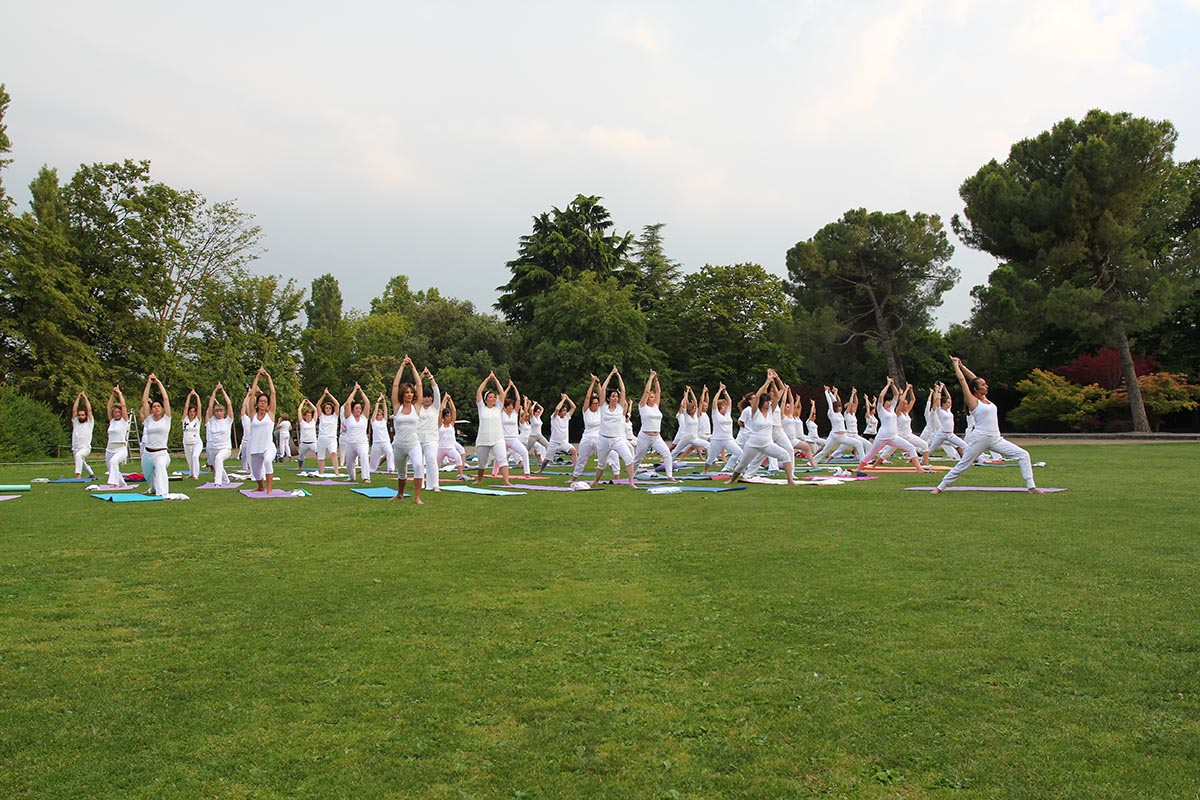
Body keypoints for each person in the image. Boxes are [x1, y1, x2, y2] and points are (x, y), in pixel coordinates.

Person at [933, 358, 1043, 494]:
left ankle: (1031, 487)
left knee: (1023, 455)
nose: (987, 386)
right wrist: (955, 366)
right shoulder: (972, 401)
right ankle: (940, 487)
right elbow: (963, 381)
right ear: (976, 389)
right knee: (964, 464)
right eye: (983, 385)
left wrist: (962, 366)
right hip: (980, 438)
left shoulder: (986, 399)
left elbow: (974, 379)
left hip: (996, 438)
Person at [727, 371, 797, 486]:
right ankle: (731, 480)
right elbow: (758, 396)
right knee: (742, 464)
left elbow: (777, 396)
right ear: (762, 403)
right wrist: (767, 381)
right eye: (767, 402)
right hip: (753, 443)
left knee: (785, 455)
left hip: (767, 443)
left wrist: (773, 381)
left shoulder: (771, 411)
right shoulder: (755, 412)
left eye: (769, 401)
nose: (769, 403)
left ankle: (790, 480)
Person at [856, 377, 929, 474]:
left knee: (910, 447)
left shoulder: (892, 409)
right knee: (871, 453)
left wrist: (892, 384)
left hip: (893, 437)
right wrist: (887, 385)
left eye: (890, 401)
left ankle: (919, 469)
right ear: (884, 403)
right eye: (888, 401)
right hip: (882, 437)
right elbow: (881, 396)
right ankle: (859, 468)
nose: (890, 402)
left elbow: (896, 394)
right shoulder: (881, 409)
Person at [590, 366, 638, 490]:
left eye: (617, 396)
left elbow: (624, 390)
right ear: (608, 398)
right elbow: (603, 389)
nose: (616, 398)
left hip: (618, 439)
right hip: (604, 439)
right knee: (601, 464)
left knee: (628, 458)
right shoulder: (603, 407)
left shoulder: (620, 407)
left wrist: (618, 376)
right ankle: (595, 481)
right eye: (613, 396)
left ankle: (631, 482)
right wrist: (611, 374)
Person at [392, 356, 429, 502]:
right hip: (399, 445)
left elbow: (419, 385)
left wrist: (412, 366)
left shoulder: (416, 406)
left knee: (419, 465)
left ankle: (417, 497)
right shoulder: (397, 406)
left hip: (413, 444)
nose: (409, 394)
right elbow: (395, 386)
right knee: (402, 473)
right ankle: (400, 494)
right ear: (403, 394)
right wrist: (402, 366)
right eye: (407, 392)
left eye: (411, 392)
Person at [474, 371, 515, 487]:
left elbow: (502, 393)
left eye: (493, 397)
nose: (493, 399)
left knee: (502, 458)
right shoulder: (482, 408)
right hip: (483, 439)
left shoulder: (498, 408)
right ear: (486, 400)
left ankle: (506, 481)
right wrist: (487, 379)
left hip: (498, 439)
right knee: (482, 462)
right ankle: (479, 479)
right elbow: (479, 392)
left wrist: (496, 379)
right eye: (490, 397)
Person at [632, 371, 674, 479]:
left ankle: (670, 476)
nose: (654, 398)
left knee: (667, 454)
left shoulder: (656, 407)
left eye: (654, 397)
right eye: (651, 397)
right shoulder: (643, 407)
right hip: (645, 436)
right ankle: (631, 476)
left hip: (657, 437)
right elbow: (646, 392)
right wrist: (650, 377)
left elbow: (659, 392)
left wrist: (656, 379)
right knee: (638, 458)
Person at [813, 386, 866, 463]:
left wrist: (830, 392)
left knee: (859, 443)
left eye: (840, 407)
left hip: (843, 436)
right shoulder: (831, 413)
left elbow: (835, 401)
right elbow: (830, 403)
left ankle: (863, 461)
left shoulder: (839, 414)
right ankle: (812, 462)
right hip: (834, 436)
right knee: (825, 450)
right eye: (838, 407)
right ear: (835, 408)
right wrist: (826, 392)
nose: (840, 408)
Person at [245, 368, 278, 493]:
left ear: (268, 404)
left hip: (268, 446)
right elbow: (252, 395)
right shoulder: (253, 414)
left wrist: (269, 378)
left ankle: (269, 489)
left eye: (265, 401)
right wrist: (257, 377)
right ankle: (261, 487)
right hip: (255, 447)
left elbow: (273, 394)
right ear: (257, 404)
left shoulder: (271, 414)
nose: (263, 403)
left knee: (268, 461)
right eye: (261, 401)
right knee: (256, 471)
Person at [140, 374, 173, 496]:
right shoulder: (149, 420)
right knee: (149, 478)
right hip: (148, 454)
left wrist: (158, 383)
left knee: (160, 466)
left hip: (161, 453)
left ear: (162, 409)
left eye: (158, 406)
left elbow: (166, 399)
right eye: (154, 406)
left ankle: (163, 493)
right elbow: (144, 401)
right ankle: (153, 488)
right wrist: (148, 383)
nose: (156, 408)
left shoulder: (166, 419)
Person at [922, 382, 969, 466]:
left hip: (950, 434)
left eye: (949, 403)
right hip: (941, 434)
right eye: (947, 403)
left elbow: (949, 398)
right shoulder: (940, 411)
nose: (949, 404)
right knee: (931, 449)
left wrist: (944, 388)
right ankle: (922, 461)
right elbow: (937, 399)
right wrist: (938, 390)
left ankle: (966, 461)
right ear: (943, 404)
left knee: (964, 445)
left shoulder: (949, 411)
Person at [702, 383, 743, 474]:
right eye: (723, 406)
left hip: (728, 439)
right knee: (711, 458)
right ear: (719, 408)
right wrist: (719, 390)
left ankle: (743, 470)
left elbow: (730, 401)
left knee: (740, 452)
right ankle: (705, 471)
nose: (725, 407)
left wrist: (725, 391)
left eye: (725, 406)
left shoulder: (728, 414)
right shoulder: (716, 414)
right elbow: (714, 402)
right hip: (717, 440)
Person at [495, 380, 531, 478]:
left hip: (514, 439)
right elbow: (502, 397)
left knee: (524, 452)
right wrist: (508, 388)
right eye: (509, 406)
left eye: (512, 406)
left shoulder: (515, 414)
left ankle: (527, 473)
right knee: (501, 457)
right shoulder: (501, 413)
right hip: (504, 439)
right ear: (505, 407)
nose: (511, 407)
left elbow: (518, 400)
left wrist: (514, 387)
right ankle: (494, 472)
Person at [572, 376, 603, 480]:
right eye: (594, 404)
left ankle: (617, 475)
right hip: (587, 437)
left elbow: (602, 395)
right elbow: (587, 397)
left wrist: (598, 383)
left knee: (609, 454)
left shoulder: (600, 411)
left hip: (599, 438)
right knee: (582, 459)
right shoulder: (586, 411)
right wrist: (592, 383)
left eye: (598, 404)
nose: (596, 405)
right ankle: (575, 477)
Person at [417, 368, 442, 491]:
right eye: (424, 397)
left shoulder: (435, 407)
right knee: (418, 463)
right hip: (417, 438)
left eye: (428, 397)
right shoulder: (417, 407)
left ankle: (434, 485)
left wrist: (430, 377)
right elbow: (416, 390)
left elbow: (436, 391)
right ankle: (420, 484)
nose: (426, 399)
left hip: (431, 439)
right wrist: (421, 377)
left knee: (432, 460)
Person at [341, 383, 372, 483]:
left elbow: (367, 403)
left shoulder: (364, 418)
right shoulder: (349, 418)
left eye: (359, 408)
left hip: (362, 443)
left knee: (364, 456)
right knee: (349, 463)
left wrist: (361, 391)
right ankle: (351, 477)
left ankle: (366, 477)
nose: (358, 410)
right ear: (353, 410)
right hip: (350, 443)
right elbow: (348, 404)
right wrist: (354, 390)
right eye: (356, 408)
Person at [539, 393, 578, 472]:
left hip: (564, 442)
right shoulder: (554, 417)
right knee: (546, 460)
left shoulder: (566, 417)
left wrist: (567, 398)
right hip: (554, 443)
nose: (565, 412)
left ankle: (576, 470)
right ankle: (540, 470)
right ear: (560, 412)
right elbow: (557, 409)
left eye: (565, 411)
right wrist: (563, 399)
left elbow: (574, 407)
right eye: (563, 410)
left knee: (574, 451)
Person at [206, 383, 235, 486]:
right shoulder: (212, 420)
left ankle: (217, 482)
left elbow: (229, 404)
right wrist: (214, 391)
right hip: (213, 448)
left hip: (225, 448)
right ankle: (226, 480)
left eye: (221, 411)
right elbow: (210, 405)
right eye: (217, 411)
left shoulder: (228, 420)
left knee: (219, 459)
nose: (219, 413)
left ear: (224, 412)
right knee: (217, 465)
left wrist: (222, 391)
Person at [669, 386, 709, 463]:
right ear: (690, 409)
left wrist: (691, 392)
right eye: (693, 409)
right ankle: (667, 462)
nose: (695, 410)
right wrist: (686, 393)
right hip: (686, 438)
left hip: (694, 438)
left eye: (695, 409)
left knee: (708, 445)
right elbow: (684, 404)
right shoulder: (686, 415)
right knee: (676, 451)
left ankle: (711, 461)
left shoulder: (696, 416)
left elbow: (696, 402)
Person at [103, 386, 130, 488]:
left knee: (114, 462)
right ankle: (122, 483)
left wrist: (119, 393)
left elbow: (123, 405)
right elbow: (108, 407)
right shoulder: (112, 422)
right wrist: (112, 394)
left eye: (119, 412)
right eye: (115, 412)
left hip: (121, 449)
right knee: (111, 468)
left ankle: (115, 484)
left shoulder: (124, 421)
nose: (117, 414)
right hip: (109, 449)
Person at [437, 394, 467, 481]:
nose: (449, 418)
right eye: (447, 416)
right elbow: (440, 411)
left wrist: (450, 400)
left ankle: (460, 475)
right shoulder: (440, 425)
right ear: (443, 417)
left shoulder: (451, 425)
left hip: (450, 448)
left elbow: (454, 411)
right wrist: (444, 400)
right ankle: (434, 477)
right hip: (441, 448)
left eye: (450, 416)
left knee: (458, 458)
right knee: (436, 464)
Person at [70, 391, 97, 479]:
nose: (80, 416)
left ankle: (78, 475)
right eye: (79, 415)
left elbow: (89, 410)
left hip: (85, 448)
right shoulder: (76, 422)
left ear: (85, 416)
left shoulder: (89, 423)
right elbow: (74, 410)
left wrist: (85, 398)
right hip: (76, 447)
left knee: (79, 456)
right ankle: (92, 474)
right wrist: (78, 398)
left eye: (82, 415)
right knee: (81, 462)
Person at [315, 389, 342, 476]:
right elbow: (317, 405)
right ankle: (321, 472)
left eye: (330, 408)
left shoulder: (335, 416)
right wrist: (324, 395)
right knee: (321, 457)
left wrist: (329, 395)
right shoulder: (321, 416)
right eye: (326, 408)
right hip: (322, 439)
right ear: (324, 409)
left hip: (332, 439)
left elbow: (337, 404)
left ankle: (336, 472)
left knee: (333, 453)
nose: (328, 409)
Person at [369, 395, 396, 475]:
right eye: (378, 415)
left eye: (381, 415)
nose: (380, 416)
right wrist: (378, 401)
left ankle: (391, 468)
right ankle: (372, 469)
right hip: (377, 442)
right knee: (374, 456)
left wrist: (384, 401)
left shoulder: (384, 421)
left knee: (390, 452)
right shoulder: (374, 422)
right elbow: (375, 411)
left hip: (385, 441)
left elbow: (386, 411)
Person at [181, 389, 204, 479]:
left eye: (194, 411)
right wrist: (189, 396)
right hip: (186, 443)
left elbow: (199, 407)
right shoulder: (185, 419)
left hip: (196, 442)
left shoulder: (197, 420)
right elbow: (185, 407)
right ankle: (191, 473)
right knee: (190, 460)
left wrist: (197, 396)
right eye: (190, 411)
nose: (192, 413)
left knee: (195, 457)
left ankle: (196, 475)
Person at [296, 400, 319, 470]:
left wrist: (309, 402)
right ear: (305, 417)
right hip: (304, 443)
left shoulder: (313, 422)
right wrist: (303, 402)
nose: (309, 417)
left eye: (310, 416)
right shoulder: (302, 423)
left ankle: (321, 467)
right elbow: (299, 410)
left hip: (313, 443)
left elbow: (315, 410)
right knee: (301, 457)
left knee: (318, 453)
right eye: (308, 416)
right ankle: (299, 467)